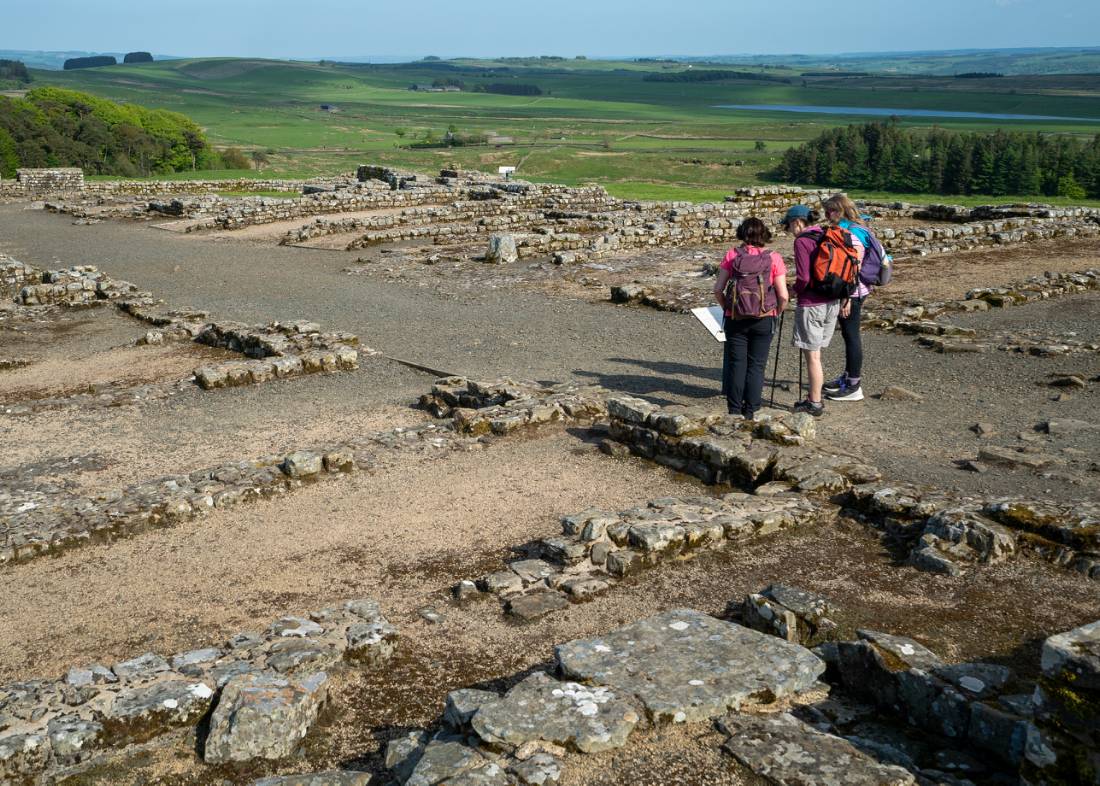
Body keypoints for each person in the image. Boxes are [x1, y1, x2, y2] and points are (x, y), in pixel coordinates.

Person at [782, 204, 854, 417]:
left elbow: (804, 278)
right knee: (817, 353)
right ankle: (814, 396)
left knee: (813, 357)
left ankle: (814, 402)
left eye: (788, 226)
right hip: (832, 301)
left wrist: (793, 291)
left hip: (812, 304)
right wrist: (846, 297)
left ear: (797, 222)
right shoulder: (827, 234)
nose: (788, 230)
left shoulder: (802, 241)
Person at [714, 217, 789, 420]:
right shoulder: (774, 257)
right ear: (764, 234)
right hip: (764, 317)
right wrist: (776, 311)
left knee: (737, 364)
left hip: (735, 317)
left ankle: (734, 411)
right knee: (757, 365)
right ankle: (751, 411)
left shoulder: (732, 255)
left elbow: (718, 290)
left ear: (741, 233)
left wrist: (728, 308)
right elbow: (783, 296)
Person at [821, 194, 873, 402]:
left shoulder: (851, 234)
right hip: (857, 290)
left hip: (853, 292)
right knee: (848, 335)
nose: (827, 215)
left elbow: (852, 269)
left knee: (851, 336)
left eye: (830, 211)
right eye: (826, 211)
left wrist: (847, 297)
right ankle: (848, 377)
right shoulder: (858, 228)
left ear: (840, 210)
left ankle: (853, 385)